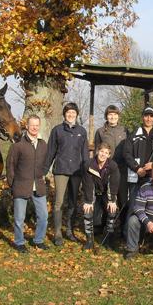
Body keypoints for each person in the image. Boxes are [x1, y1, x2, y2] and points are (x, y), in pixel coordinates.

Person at [44, 102, 89, 246]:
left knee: (73, 202)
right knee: (58, 202)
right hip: (61, 170)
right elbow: (50, 151)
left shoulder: (82, 131)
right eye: (68, 112)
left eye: (73, 113)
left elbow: (85, 154)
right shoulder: (57, 130)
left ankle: (70, 231)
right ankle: (57, 233)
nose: (71, 115)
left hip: (76, 172)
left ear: (77, 114)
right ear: (64, 114)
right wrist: (45, 170)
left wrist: (87, 171)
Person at [6, 115, 49, 253]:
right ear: (27, 126)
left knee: (43, 216)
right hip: (21, 185)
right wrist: (12, 183)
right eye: (32, 125)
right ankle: (19, 242)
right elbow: (10, 165)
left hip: (38, 185)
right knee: (19, 218)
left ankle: (39, 240)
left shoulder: (43, 144)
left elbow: (46, 162)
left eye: (37, 125)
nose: (35, 127)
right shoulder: (18, 145)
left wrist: (43, 173)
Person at [123, 106, 153, 216]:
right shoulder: (133, 135)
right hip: (137, 177)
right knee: (134, 207)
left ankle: (152, 232)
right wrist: (137, 168)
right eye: (146, 116)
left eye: (151, 116)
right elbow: (126, 154)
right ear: (142, 117)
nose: (149, 119)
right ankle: (129, 232)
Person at [93, 105, 129, 227]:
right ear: (106, 116)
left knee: (122, 199)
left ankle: (124, 227)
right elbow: (97, 151)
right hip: (106, 170)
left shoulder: (125, 130)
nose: (112, 117)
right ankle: (102, 226)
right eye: (110, 114)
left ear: (118, 116)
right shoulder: (100, 131)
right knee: (105, 198)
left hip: (122, 170)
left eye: (115, 114)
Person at [82, 142, 120, 251]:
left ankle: (108, 238)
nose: (103, 154)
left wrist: (112, 200)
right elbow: (87, 185)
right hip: (92, 192)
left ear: (109, 155)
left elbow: (113, 184)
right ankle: (89, 239)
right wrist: (89, 201)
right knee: (87, 210)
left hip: (107, 192)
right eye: (101, 151)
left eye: (106, 153)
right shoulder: (88, 164)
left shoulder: (113, 166)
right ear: (97, 151)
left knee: (112, 210)